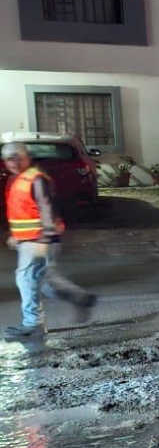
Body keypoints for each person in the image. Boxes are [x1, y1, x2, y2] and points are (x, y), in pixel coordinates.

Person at [3, 142, 96, 341]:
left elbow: (46, 210)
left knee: (26, 278)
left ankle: (32, 324)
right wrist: (16, 235)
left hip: (39, 240)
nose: (12, 162)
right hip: (31, 239)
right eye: (8, 159)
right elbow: (23, 212)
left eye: (16, 157)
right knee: (43, 283)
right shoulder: (17, 179)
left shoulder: (35, 179)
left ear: (26, 157)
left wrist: (44, 239)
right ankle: (79, 298)